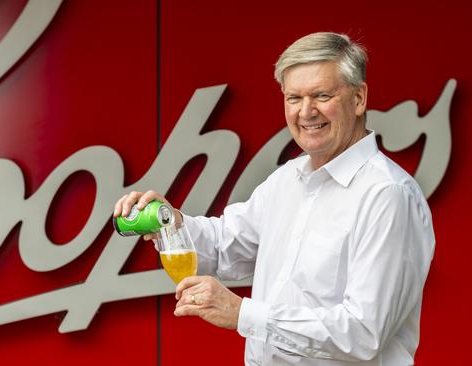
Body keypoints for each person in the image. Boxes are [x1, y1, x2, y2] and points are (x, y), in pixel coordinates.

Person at [113, 32, 434, 365]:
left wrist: (242, 313)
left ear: (359, 99)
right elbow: (226, 247)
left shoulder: (387, 194)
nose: (306, 111)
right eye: (293, 97)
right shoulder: (287, 179)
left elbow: (364, 332)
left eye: (321, 95)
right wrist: (172, 224)